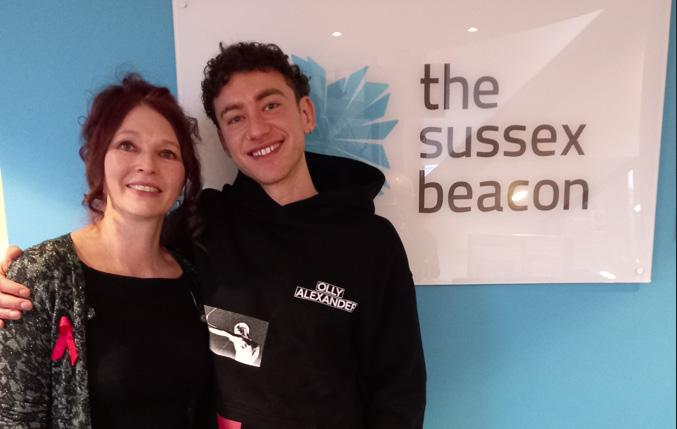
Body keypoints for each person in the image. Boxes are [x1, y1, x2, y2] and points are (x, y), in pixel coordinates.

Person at [1, 42, 426, 428]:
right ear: (223, 140)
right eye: (235, 117)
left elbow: (399, 391)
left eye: (270, 105)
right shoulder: (202, 224)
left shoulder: (371, 242)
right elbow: (119, 254)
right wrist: (14, 280)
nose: (256, 129)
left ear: (306, 114)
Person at [0, 74, 214, 429]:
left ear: (184, 176)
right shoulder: (41, 275)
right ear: (99, 158)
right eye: (127, 145)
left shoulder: (192, 280)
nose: (147, 165)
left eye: (167, 153)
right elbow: (14, 420)